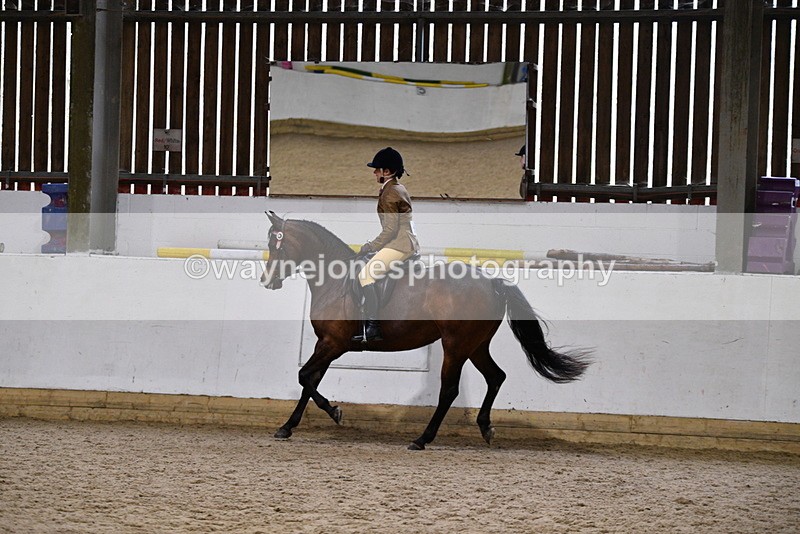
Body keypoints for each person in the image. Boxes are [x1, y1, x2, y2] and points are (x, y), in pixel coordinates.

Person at [352, 147, 420, 343]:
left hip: (399, 244)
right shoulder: (395, 188)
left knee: (365, 275)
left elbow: (390, 229)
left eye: (377, 169)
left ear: (387, 172)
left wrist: (370, 246)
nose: (374, 172)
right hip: (403, 241)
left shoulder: (391, 193)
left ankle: (372, 327)